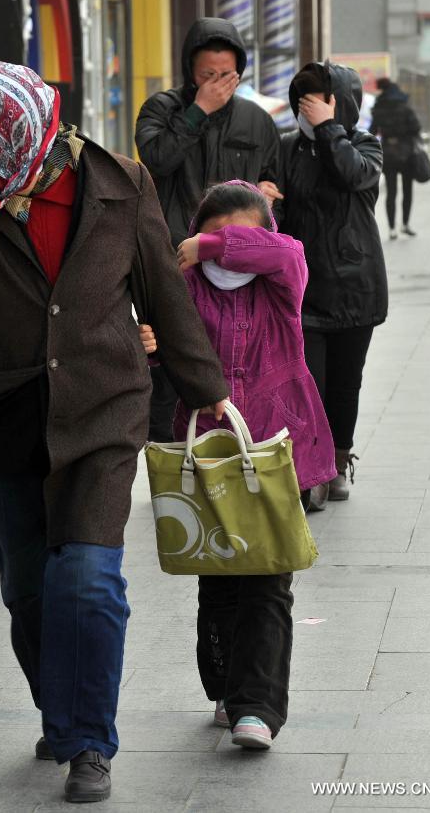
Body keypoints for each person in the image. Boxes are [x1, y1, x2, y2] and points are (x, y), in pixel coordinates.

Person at [0, 61, 229, 804]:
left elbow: (162, 287)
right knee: (27, 592)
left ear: (29, 133)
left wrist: (209, 393)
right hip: (2, 415)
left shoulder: (121, 182)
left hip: (103, 409)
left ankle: (88, 742)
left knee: (86, 583)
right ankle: (62, 713)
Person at [152, 180, 334, 749]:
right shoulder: (180, 285)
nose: (230, 248)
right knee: (220, 576)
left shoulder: (282, 283)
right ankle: (228, 690)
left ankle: (258, 707)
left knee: (268, 576)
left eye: (242, 236)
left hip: (276, 449)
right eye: (216, 232)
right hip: (208, 449)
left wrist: (210, 245)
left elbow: (287, 251)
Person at [135, 17, 281, 443]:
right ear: (189, 70)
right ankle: (171, 464)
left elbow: (273, 179)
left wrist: (270, 195)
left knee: (235, 367)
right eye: (207, 75)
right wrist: (199, 111)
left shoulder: (256, 120)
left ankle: (234, 459)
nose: (218, 83)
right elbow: (156, 158)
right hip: (173, 263)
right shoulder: (161, 109)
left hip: (239, 271)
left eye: (227, 76)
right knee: (167, 368)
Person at [277, 61, 388, 502]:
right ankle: (311, 468)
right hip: (302, 288)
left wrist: (328, 129)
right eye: (303, 103)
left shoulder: (365, 146)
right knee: (307, 383)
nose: (309, 112)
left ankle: (337, 463)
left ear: (339, 104)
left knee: (345, 383)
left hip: (354, 287)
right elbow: (278, 214)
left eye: (318, 101)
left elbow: (351, 175)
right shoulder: (286, 149)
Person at [370, 78, 422, 239]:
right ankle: (405, 225)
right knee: (407, 190)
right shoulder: (404, 106)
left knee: (391, 191)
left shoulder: (378, 107)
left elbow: (372, 131)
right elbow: (416, 128)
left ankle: (392, 228)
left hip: (388, 152)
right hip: (406, 152)